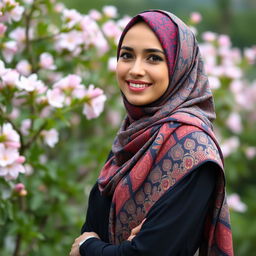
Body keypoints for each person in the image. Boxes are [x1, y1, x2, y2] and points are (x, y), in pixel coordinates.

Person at [69, 9, 234, 256]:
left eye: (153, 58)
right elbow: (95, 226)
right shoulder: (134, 134)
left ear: (180, 65)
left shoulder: (193, 150)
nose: (135, 69)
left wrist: (86, 247)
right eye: (127, 55)